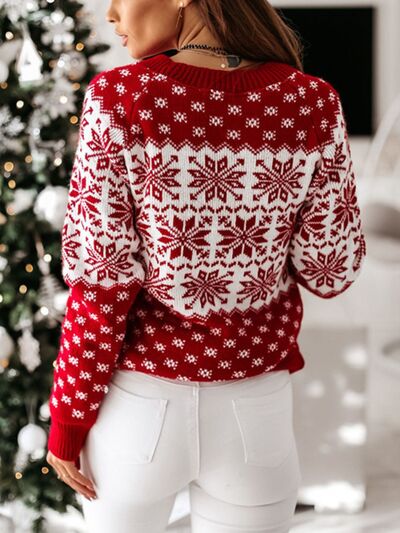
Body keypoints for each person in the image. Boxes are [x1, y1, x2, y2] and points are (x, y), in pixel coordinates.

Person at [45, 0, 367, 531]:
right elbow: (330, 271)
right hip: (254, 415)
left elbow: (102, 281)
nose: (111, 14)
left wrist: (70, 417)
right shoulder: (311, 102)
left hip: (138, 415)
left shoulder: (119, 98)